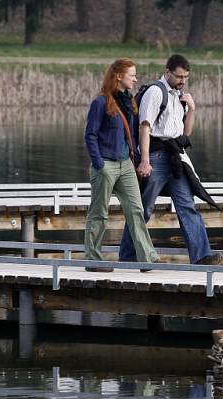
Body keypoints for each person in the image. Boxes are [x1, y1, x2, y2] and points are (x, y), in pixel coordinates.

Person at [118, 54, 222, 266]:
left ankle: (202, 256)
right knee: (143, 209)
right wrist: (144, 161)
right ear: (167, 72)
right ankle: (127, 256)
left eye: (185, 77)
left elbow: (185, 133)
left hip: (176, 157)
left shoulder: (179, 95)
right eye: (178, 76)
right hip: (156, 156)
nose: (182, 80)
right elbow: (144, 127)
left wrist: (192, 109)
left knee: (187, 205)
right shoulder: (156, 92)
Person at [84, 59, 159, 273]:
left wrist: (134, 159)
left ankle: (147, 257)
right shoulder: (100, 102)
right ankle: (93, 259)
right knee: (99, 213)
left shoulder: (129, 102)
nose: (135, 79)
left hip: (125, 165)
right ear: (118, 76)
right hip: (105, 165)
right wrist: (99, 163)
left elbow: (130, 135)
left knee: (136, 209)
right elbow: (90, 135)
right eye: (132, 75)